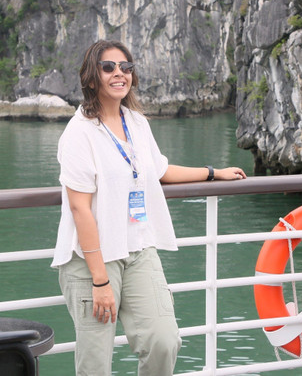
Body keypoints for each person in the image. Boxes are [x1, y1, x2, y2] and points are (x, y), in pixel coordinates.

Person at [52, 39, 247, 376]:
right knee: (95, 362)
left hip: (139, 250)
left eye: (126, 67)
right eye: (109, 67)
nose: (119, 74)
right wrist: (100, 282)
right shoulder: (78, 133)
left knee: (163, 341)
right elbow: (80, 209)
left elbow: (161, 171)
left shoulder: (136, 122)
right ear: (92, 75)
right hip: (92, 261)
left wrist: (214, 173)